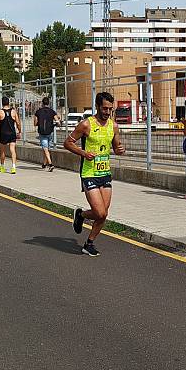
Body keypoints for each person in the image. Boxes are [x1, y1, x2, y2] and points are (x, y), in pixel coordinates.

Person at [63, 92, 125, 257]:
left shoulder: (114, 126)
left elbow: (117, 146)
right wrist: (83, 153)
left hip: (105, 172)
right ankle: (81, 215)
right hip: (89, 173)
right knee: (99, 213)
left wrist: (120, 150)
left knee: (104, 213)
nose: (107, 112)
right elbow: (67, 143)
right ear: (97, 106)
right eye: (104, 108)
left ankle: (89, 243)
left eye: (110, 109)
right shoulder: (86, 125)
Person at [0, 96, 22, 174]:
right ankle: (13, 167)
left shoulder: (0, 112)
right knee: (12, 150)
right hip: (12, 133)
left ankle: (2, 167)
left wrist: (1, 124)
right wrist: (19, 131)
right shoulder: (13, 111)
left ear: (2, 103)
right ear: (9, 102)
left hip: (3, 133)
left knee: (2, 151)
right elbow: (18, 123)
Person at [34, 96, 60, 171]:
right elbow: (57, 122)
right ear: (49, 103)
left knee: (45, 149)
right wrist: (56, 123)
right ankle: (44, 164)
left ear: (42, 103)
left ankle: (50, 164)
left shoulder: (38, 112)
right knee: (47, 149)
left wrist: (40, 122)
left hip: (42, 132)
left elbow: (35, 123)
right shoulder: (52, 111)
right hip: (50, 132)